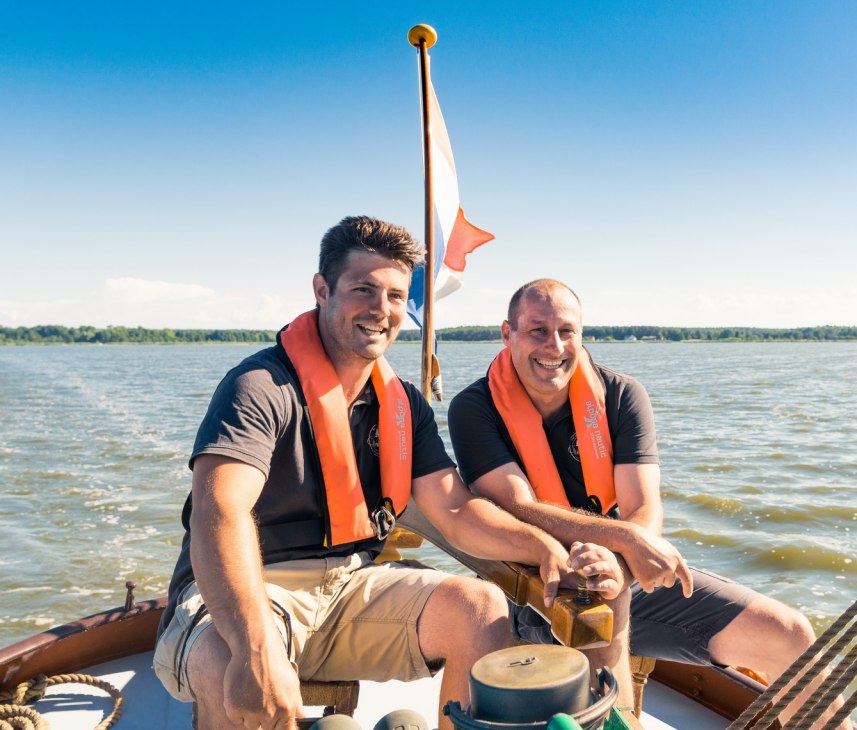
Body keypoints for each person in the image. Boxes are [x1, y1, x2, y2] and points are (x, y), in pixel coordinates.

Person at [152, 220, 625, 730]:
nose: (382, 309)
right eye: (364, 290)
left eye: (396, 296)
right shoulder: (259, 387)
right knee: (230, 664)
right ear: (321, 290)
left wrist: (545, 549)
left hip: (348, 584)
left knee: (480, 606)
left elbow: (458, 509)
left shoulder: (403, 406)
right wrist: (256, 647)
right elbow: (219, 509)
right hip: (247, 588)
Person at [448, 279, 851, 726]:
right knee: (603, 610)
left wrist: (614, 562)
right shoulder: (474, 406)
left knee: (788, 633)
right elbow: (516, 504)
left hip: (622, 571)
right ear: (508, 334)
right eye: (537, 330)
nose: (554, 345)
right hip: (531, 589)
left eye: (567, 331)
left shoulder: (621, 395)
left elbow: (645, 508)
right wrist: (620, 537)